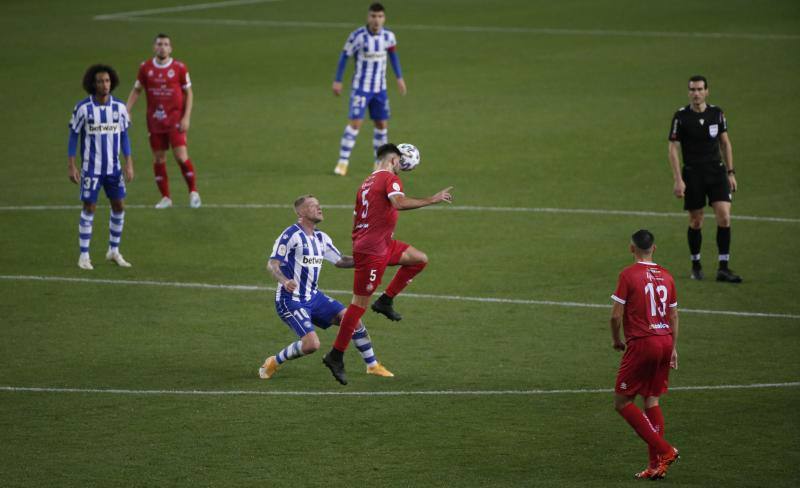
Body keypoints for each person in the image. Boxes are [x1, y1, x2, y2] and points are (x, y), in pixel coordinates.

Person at [322, 143, 453, 385]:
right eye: (400, 163)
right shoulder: (389, 178)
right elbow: (399, 203)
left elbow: (360, 216)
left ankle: (386, 301)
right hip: (374, 250)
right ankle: (336, 355)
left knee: (419, 259)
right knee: (358, 305)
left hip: (380, 244)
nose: (401, 168)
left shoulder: (366, 182)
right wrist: (432, 199)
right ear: (394, 160)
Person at [259, 195, 394, 380]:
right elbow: (272, 264)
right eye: (313, 206)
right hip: (290, 300)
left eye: (319, 205)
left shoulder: (321, 238)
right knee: (311, 345)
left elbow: (340, 261)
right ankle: (274, 361)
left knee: (352, 320)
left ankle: (372, 365)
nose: (319, 208)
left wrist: (371, 259)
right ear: (301, 213)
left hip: (314, 297)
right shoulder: (290, 235)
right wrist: (284, 281)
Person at [610, 230, 680, 480]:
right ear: (655, 249)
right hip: (664, 341)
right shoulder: (667, 276)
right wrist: (672, 348)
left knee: (622, 401)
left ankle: (665, 451)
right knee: (651, 400)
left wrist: (617, 340)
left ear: (632, 248)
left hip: (643, 343)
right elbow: (673, 316)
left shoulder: (628, 275)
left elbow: (616, 315)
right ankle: (655, 466)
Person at [668, 75, 741, 282]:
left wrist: (731, 172)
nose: (696, 93)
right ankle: (696, 264)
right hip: (693, 174)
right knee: (696, 220)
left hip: (716, 172)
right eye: (692, 89)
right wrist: (678, 179)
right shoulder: (681, 117)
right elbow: (673, 149)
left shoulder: (716, 114)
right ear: (688, 92)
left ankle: (723, 268)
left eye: (700, 89)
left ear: (707, 91)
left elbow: (725, 143)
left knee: (724, 217)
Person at [68, 64, 134, 270]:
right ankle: (84, 256)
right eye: (100, 81)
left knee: (119, 206)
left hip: (113, 169)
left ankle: (113, 251)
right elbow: (73, 135)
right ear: (92, 84)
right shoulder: (83, 108)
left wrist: (128, 162)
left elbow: (124, 135)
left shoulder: (120, 108)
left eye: (107, 81)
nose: (104, 85)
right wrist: (72, 165)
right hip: (91, 169)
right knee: (89, 208)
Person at [126, 33, 201, 209]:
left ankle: (193, 192)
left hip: (175, 120)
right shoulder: (145, 68)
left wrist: (186, 117)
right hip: (155, 121)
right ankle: (166, 197)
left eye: (166, 44)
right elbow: (137, 90)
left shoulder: (179, 68)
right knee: (159, 159)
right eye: (159, 44)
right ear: (154, 47)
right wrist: (127, 110)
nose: (162, 47)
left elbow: (188, 93)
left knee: (181, 156)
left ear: (171, 48)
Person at [332, 2, 406, 176]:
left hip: (380, 89)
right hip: (361, 88)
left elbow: (393, 56)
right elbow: (344, 57)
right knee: (356, 124)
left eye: (380, 16)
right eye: (373, 16)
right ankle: (343, 162)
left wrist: (399, 78)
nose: (376, 20)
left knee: (381, 125)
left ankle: (379, 163)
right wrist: (338, 80)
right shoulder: (357, 36)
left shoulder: (389, 36)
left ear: (384, 18)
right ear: (368, 17)